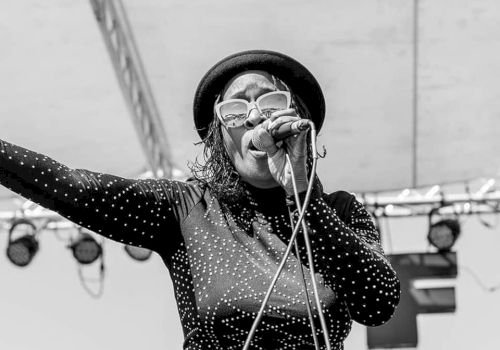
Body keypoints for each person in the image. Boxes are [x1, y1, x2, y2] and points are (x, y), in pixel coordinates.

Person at [0, 50, 400, 350]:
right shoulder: (189, 208)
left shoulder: (339, 212)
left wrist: (302, 196)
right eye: (237, 108)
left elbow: (377, 303)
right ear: (218, 137)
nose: (256, 118)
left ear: (298, 121)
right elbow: (71, 187)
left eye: (271, 103)